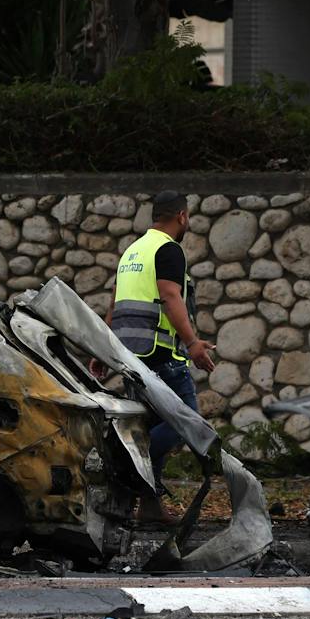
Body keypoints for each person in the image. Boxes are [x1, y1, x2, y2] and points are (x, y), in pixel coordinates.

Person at [110, 190, 215, 522]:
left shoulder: (132, 251)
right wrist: (193, 343)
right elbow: (171, 296)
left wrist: (105, 346)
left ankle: (149, 507)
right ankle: (125, 465)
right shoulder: (168, 249)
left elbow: (115, 304)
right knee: (185, 423)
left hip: (130, 354)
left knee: (145, 426)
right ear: (182, 216)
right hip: (160, 354)